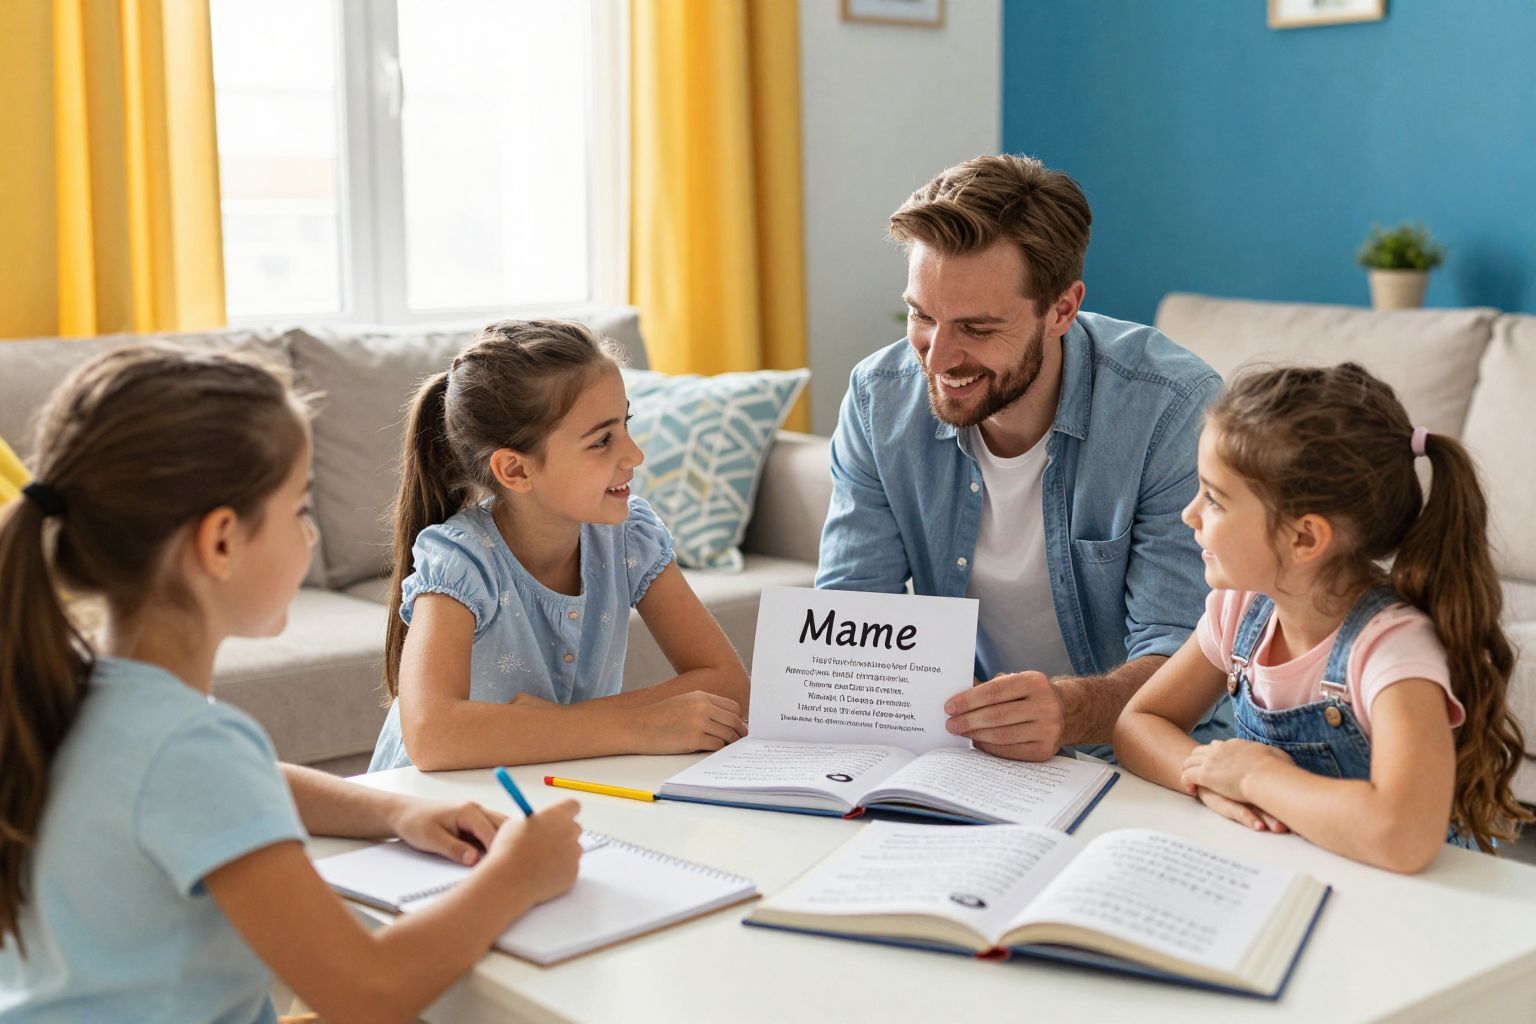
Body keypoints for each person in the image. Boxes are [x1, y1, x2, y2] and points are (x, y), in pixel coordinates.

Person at [0, 346, 584, 1023]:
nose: (309, 535)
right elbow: (369, 992)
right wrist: (519, 875)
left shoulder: (75, 696)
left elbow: (225, 782)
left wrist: (393, 812)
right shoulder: (189, 749)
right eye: (298, 510)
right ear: (220, 543)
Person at [817, 153, 1228, 761]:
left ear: (1062, 309)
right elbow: (850, 620)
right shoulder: (879, 398)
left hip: (1147, 755)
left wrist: (1068, 712)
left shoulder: (1173, 410)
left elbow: (1188, 664)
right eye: (921, 315)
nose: (936, 359)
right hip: (972, 756)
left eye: (978, 329)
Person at [1113, 363, 1533, 871]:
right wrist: (1208, 780)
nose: (1189, 514)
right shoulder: (1240, 608)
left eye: (1215, 500)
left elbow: (1405, 835)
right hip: (1294, 872)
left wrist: (1254, 779)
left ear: (1305, 538)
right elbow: (1137, 723)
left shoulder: (1391, 648)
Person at [369, 319, 749, 773]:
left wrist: (557, 725)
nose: (634, 455)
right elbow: (432, 736)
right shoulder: (461, 562)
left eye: (625, 424)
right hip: (435, 806)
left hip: (552, 783)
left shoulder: (628, 538)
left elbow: (729, 685)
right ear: (516, 471)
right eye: (602, 440)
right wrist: (637, 725)